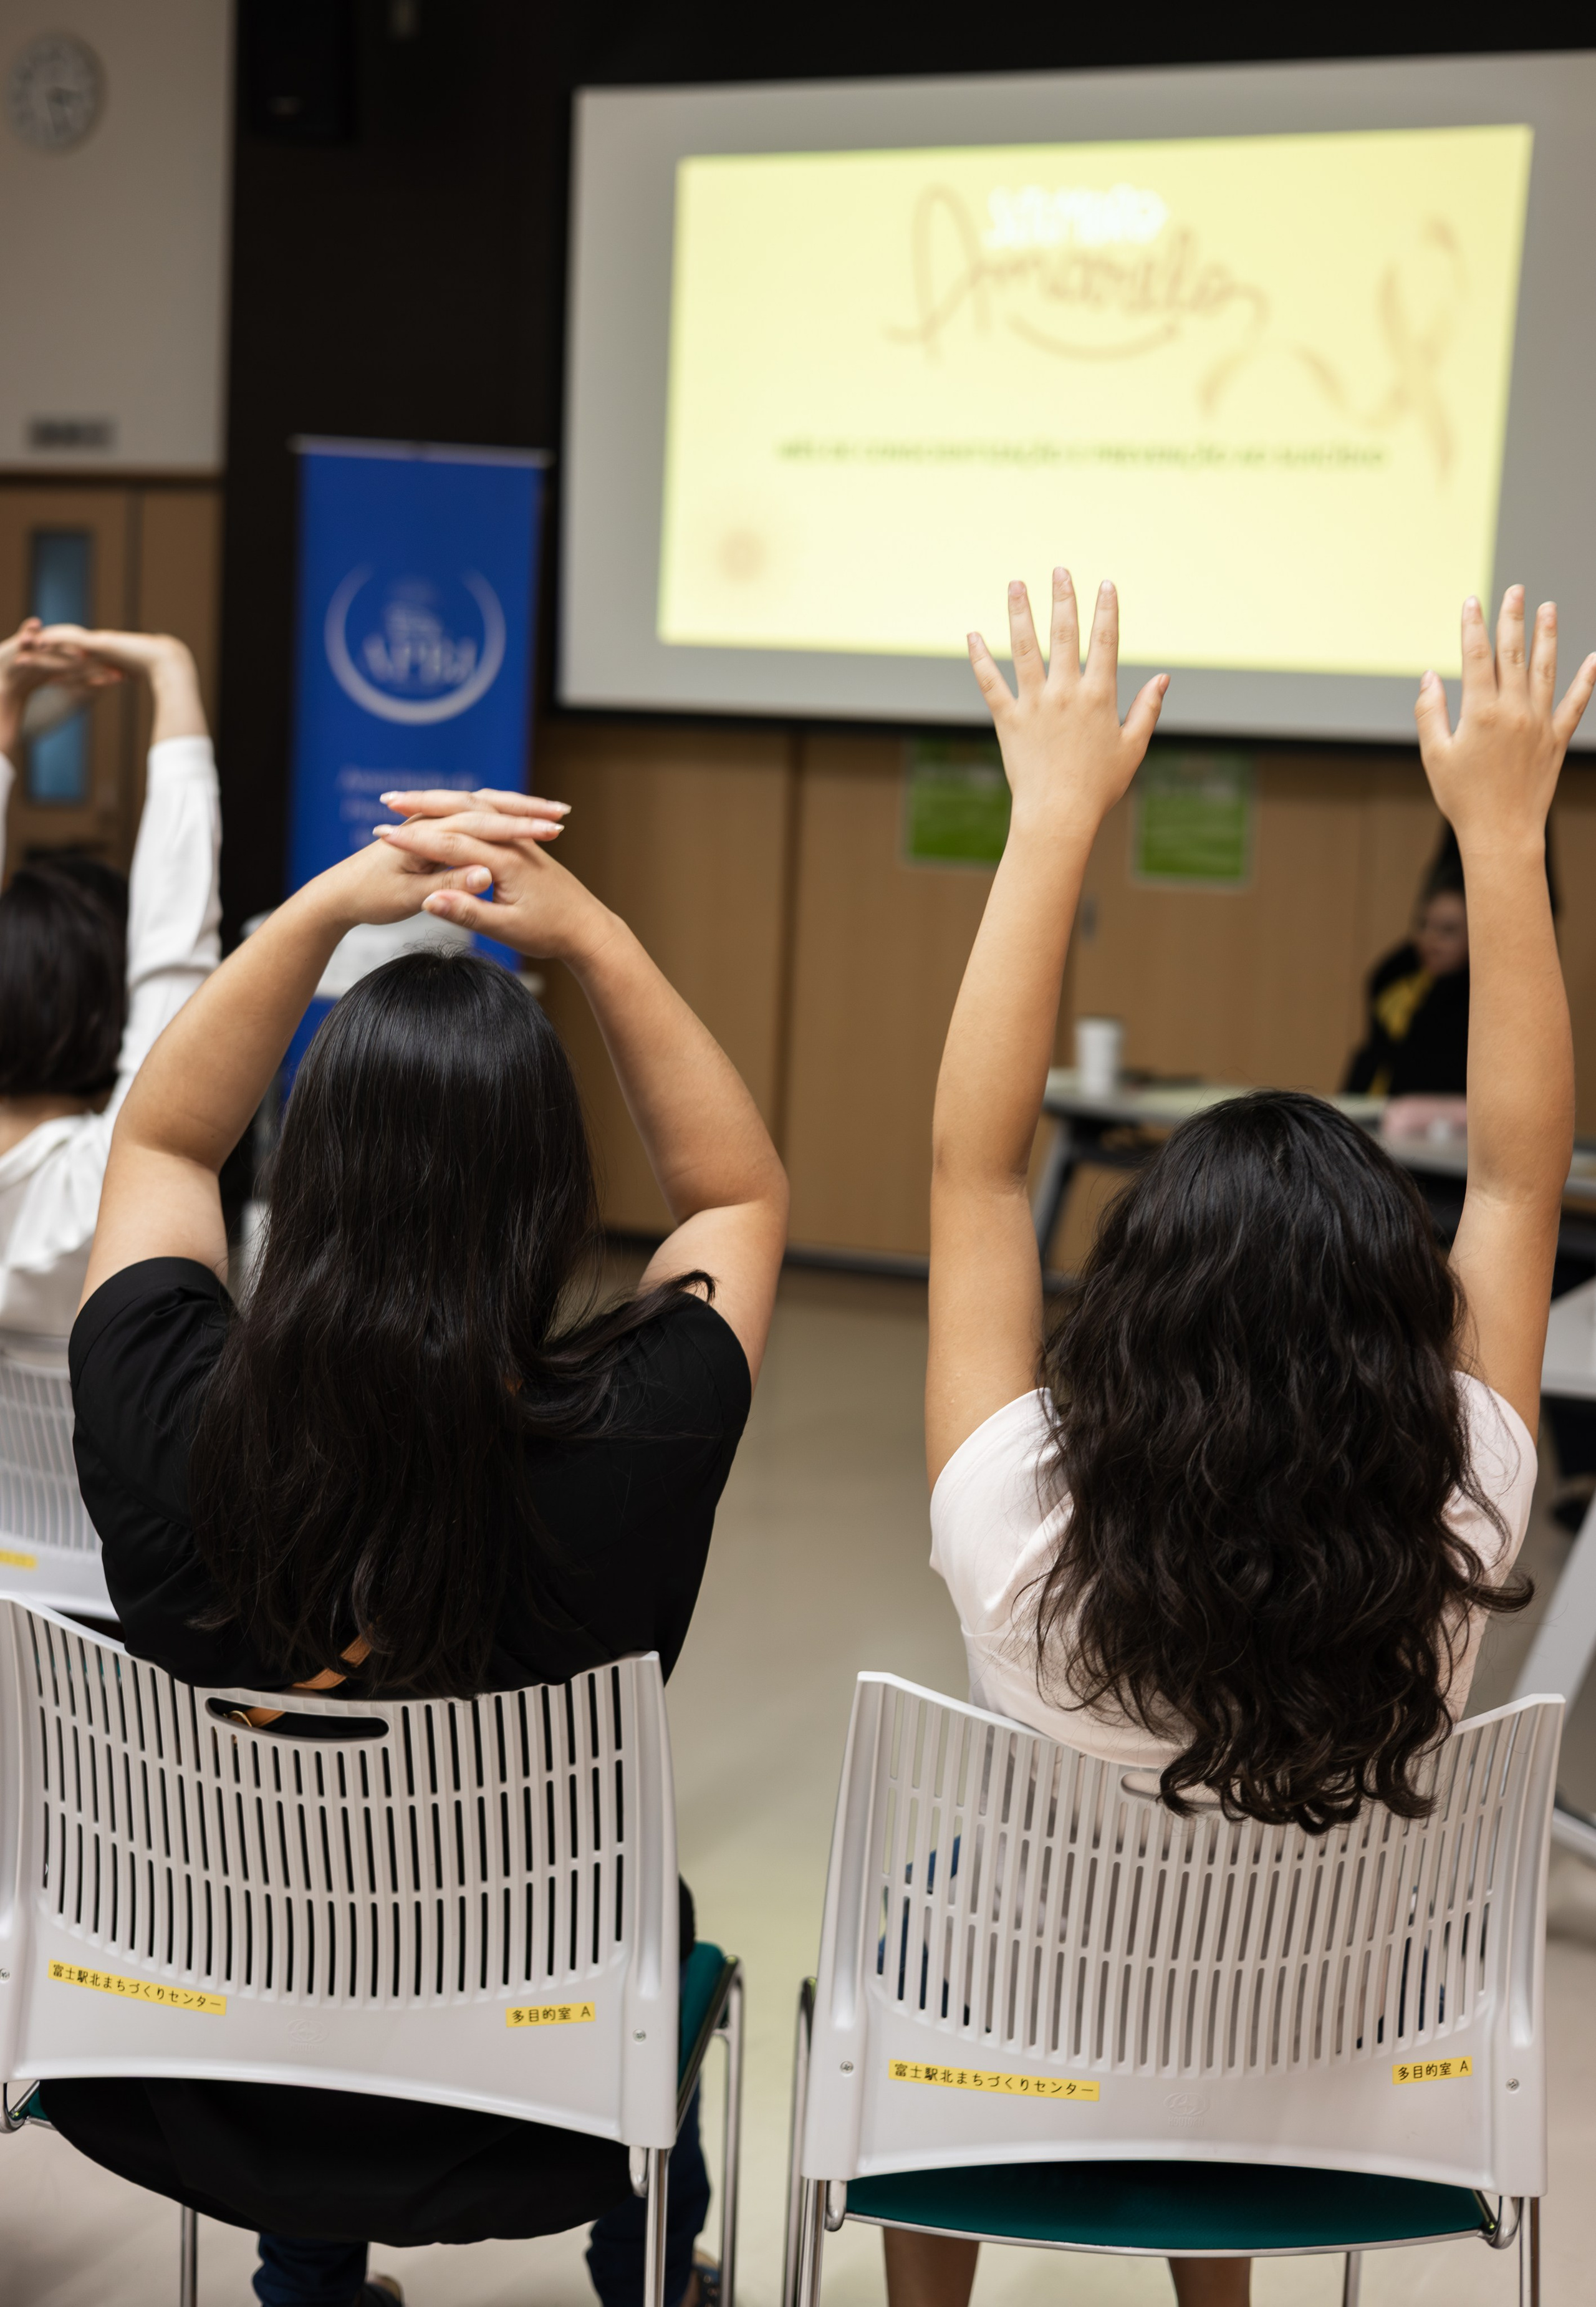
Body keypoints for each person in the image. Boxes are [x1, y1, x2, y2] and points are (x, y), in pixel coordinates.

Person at [916, 575, 1593, 2307]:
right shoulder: (1465, 1497)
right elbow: (1520, 1179)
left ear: (1129, 1308)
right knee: (1228, 1915)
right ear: (1395, 1321)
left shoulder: (1015, 1522)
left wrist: (1049, 814)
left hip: (1035, 2009)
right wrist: (1504, 840)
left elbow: (976, 1173)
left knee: (934, 1903)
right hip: (1318, 2026)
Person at [44, 784, 789, 2307]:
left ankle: (310, 2277)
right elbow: (734, 1190)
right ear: (549, 1203)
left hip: (210, 2052)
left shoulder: (164, 1402)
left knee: (310, 1853)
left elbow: (166, 1136)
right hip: (537, 2088)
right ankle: (650, 2266)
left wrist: (325, 910)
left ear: (306, 1175)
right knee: (656, 1916)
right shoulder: (634, 1432)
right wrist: (595, 936)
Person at [0, 619, 221, 1364]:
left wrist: (4, 707)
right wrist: (172, 673)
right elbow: (177, 949)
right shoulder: (106, 1181)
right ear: (112, 1006)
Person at [1342, 828, 1470, 1101]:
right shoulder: (1396, 980)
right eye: (1424, 925)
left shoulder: (1481, 1003)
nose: (1431, 940)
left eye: (1448, 931)